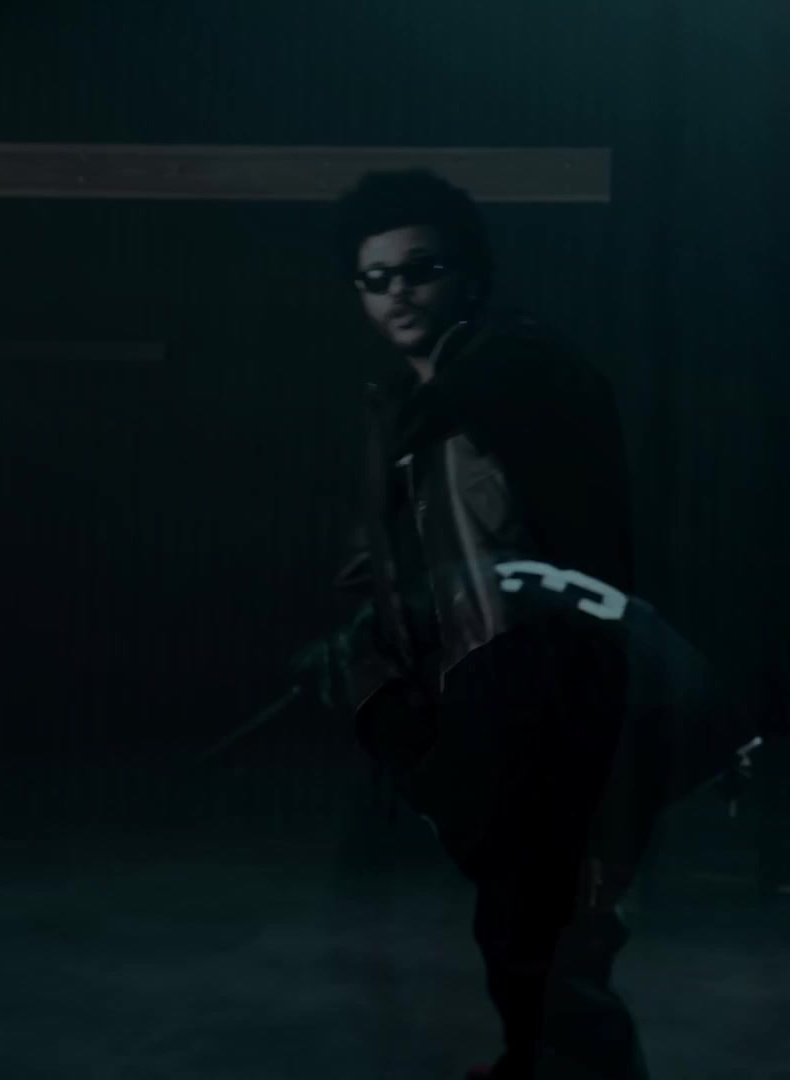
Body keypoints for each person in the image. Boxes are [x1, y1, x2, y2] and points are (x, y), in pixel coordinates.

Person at [318, 169, 639, 1079]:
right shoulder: (395, 410)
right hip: (462, 700)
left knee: (558, 926)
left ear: (469, 277)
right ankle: (528, 1065)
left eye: (420, 270)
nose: (397, 294)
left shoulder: (520, 373)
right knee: (512, 919)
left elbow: (572, 510)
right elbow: (376, 563)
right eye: (375, 278)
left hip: (550, 686)